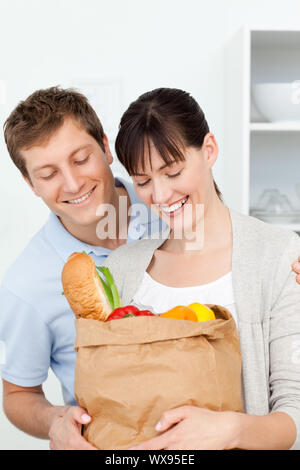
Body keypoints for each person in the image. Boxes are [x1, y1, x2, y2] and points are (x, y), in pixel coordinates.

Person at [103, 87, 300, 450]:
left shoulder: (279, 256)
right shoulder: (122, 270)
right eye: (143, 182)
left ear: (208, 150)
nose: (160, 196)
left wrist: (230, 431)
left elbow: (294, 412)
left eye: (173, 171)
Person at [0, 87, 164, 450]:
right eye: (48, 173)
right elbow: (17, 393)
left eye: (80, 159)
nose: (73, 184)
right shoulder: (25, 285)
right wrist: (56, 421)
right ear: (30, 184)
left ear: (106, 147)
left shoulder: (170, 202)